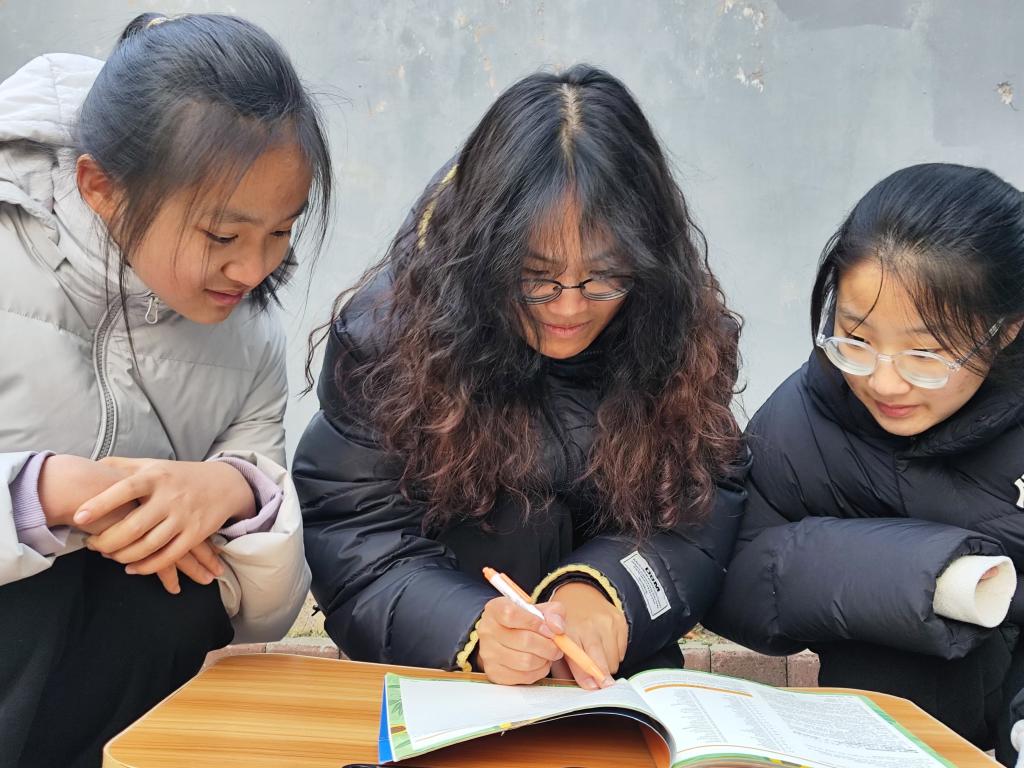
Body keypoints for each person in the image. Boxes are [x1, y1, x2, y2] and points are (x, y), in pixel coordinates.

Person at [295, 64, 750, 690]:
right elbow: (356, 535)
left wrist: (607, 594)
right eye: (535, 277)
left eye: (604, 276)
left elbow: (701, 509)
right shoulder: (389, 337)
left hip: (617, 685)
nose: (569, 307)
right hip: (440, 685)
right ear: (482, 253)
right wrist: (472, 630)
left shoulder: (681, 331)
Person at [0, 12, 332, 767]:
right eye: (223, 236)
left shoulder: (249, 335)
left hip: (101, 698)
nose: (254, 269)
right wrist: (38, 495)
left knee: (172, 592)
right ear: (101, 188)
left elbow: (262, 618)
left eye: (281, 232)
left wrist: (236, 492)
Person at [704, 163, 1024, 765]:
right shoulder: (809, 416)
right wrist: (917, 575)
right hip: (886, 732)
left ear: (1006, 331)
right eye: (856, 338)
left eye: (925, 354)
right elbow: (726, 571)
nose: (883, 381)